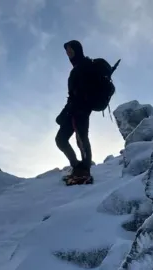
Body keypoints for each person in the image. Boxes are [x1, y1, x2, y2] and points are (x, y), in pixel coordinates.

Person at [55, 40, 94, 185]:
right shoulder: (77, 68)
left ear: (78, 50)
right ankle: (77, 167)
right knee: (61, 139)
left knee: (82, 139)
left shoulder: (85, 66)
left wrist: (80, 105)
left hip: (81, 110)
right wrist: (63, 113)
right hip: (73, 110)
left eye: (71, 50)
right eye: (67, 52)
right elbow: (73, 95)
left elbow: (80, 93)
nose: (68, 54)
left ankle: (85, 171)